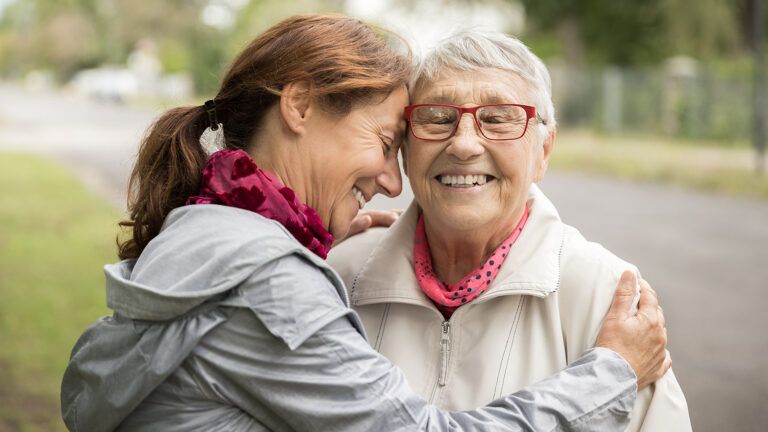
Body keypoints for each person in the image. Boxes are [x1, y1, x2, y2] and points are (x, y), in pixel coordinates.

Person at [61, 14, 669, 431]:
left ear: (544, 145)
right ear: (298, 105)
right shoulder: (273, 280)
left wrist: (299, 251)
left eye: (501, 118)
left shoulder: (210, 233)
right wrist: (609, 374)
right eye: (391, 138)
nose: (391, 179)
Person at [328, 30, 691, 431]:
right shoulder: (338, 276)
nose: (464, 145)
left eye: (499, 119)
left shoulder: (606, 295)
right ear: (406, 149)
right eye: (437, 117)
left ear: (543, 152)